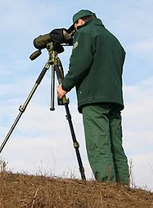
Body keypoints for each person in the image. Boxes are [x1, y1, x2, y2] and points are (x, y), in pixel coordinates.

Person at [57, 9, 130, 185]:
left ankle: (107, 188)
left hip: (93, 97)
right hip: (114, 98)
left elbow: (79, 63)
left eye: (75, 27)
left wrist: (64, 86)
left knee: (99, 144)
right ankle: (123, 188)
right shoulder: (114, 40)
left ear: (80, 22)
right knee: (115, 146)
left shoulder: (85, 33)